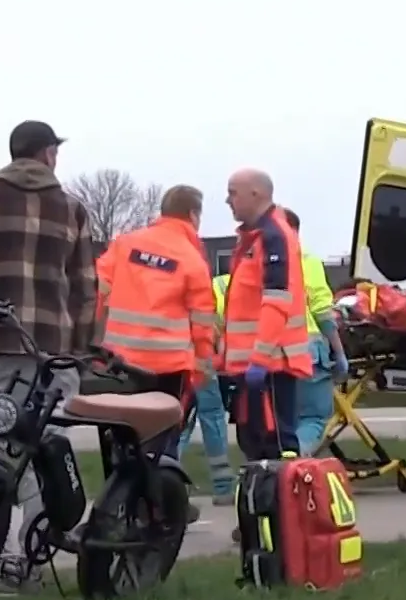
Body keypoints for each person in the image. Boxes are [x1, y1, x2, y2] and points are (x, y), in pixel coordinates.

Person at [0, 120, 98, 596]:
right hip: (53, 355)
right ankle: (31, 554)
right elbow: (86, 289)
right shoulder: (72, 209)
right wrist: (80, 352)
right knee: (47, 455)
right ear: (48, 153)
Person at [95, 184, 218, 522]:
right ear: (193, 215)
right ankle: (156, 507)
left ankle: (114, 504)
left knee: (117, 432)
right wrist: (202, 366)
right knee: (158, 441)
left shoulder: (125, 245)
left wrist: (89, 342)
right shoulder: (192, 259)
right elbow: (202, 321)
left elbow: (97, 292)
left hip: (118, 362)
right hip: (167, 367)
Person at [221, 168, 312, 458]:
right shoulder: (255, 237)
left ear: (256, 193)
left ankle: (283, 502)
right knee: (255, 445)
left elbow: (276, 300)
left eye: (233, 192)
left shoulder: (273, 235)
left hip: (270, 365)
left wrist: (259, 360)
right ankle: (263, 501)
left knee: (276, 447)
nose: (227, 200)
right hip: (254, 366)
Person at [280, 207, 348, 454]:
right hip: (306, 346)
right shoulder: (306, 260)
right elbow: (321, 308)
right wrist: (339, 352)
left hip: (266, 350)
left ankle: (271, 473)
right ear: (295, 231)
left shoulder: (253, 261)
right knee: (313, 418)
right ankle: (293, 466)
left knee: (279, 420)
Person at [177, 270, 238, 504]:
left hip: (176, 358)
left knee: (179, 423)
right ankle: (223, 488)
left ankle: (169, 483)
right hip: (201, 359)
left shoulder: (215, 284)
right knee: (212, 419)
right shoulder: (229, 289)